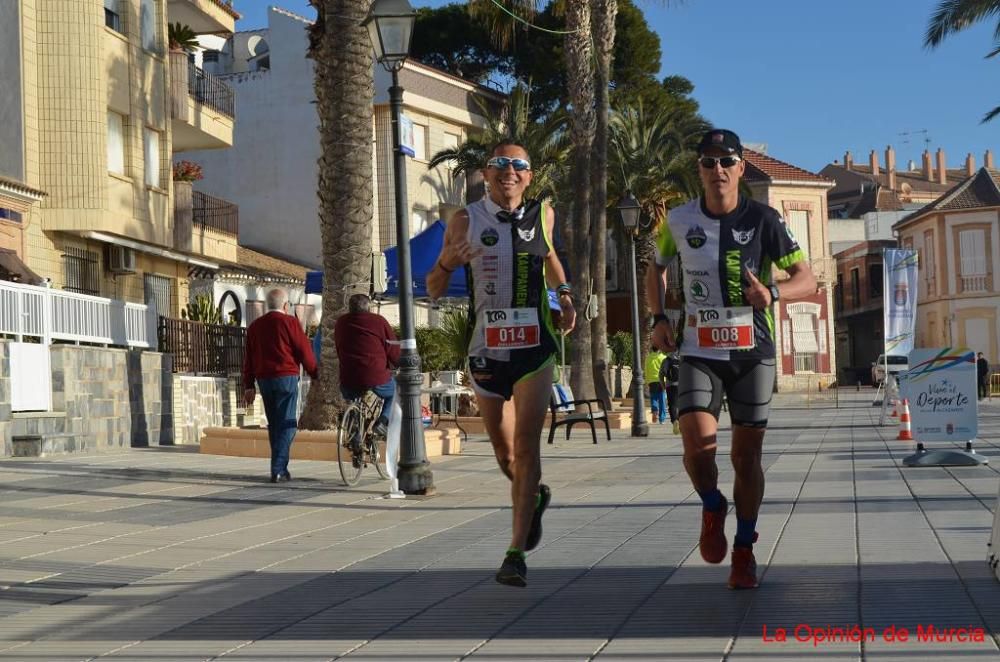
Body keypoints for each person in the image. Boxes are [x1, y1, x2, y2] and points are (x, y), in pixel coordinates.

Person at [645, 129, 817, 590]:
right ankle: (712, 504)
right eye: (708, 161)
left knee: (746, 457)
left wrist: (773, 293)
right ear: (698, 170)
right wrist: (658, 317)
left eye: (727, 161)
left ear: (741, 168)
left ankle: (744, 548)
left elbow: (808, 278)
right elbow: (656, 269)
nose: (717, 169)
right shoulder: (678, 220)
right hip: (699, 349)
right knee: (697, 451)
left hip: (752, 353)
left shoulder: (764, 219)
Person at [426, 140, 575, 588]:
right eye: (499, 165)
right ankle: (535, 495)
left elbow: (551, 261)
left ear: (529, 177)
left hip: (534, 349)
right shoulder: (465, 220)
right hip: (486, 349)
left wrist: (565, 296)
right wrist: (447, 265)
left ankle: (514, 554)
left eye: (519, 166)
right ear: (486, 175)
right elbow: (433, 288)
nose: (509, 172)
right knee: (505, 454)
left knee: (528, 449)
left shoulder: (543, 216)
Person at [243, 288, 319, 483]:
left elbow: (248, 358)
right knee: (288, 424)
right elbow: (304, 351)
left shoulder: (254, 327)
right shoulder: (290, 323)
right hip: (286, 377)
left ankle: (280, 467)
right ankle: (278, 468)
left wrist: (248, 384)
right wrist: (314, 373)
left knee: (275, 423)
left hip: (264, 379)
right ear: (285, 305)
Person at [334, 294, 401, 438]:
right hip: (375, 375)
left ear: (349, 308)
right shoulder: (378, 321)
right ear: (369, 306)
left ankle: (355, 433)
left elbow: (338, 346)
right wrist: (398, 363)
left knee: (353, 399)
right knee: (397, 391)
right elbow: (392, 348)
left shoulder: (341, 322)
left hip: (348, 377)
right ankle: (382, 422)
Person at [660, 350, 681, 435]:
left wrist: (663, 385)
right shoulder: (684, 358)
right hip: (683, 385)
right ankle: (680, 421)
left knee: (672, 405)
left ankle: (674, 420)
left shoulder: (666, 360)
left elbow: (661, 374)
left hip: (670, 385)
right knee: (682, 405)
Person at [645, 347, 667, 424]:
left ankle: (654, 410)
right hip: (661, 381)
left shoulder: (648, 358)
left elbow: (646, 370)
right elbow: (666, 370)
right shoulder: (663, 357)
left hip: (652, 381)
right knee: (662, 400)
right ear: (659, 349)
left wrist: (647, 381)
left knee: (653, 398)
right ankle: (662, 419)